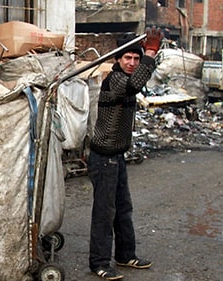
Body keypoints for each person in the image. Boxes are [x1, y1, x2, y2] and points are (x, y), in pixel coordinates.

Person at [87, 27, 164, 280]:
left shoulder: (128, 77)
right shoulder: (115, 80)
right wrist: (150, 52)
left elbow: (139, 81)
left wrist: (149, 56)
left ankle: (125, 255)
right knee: (104, 213)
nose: (132, 63)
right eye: (127, 58)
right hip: (104, 158)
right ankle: (99, 262)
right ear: (118, 60)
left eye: (136, 58)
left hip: (117, 156)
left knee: (123, 208)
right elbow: (135, 85)